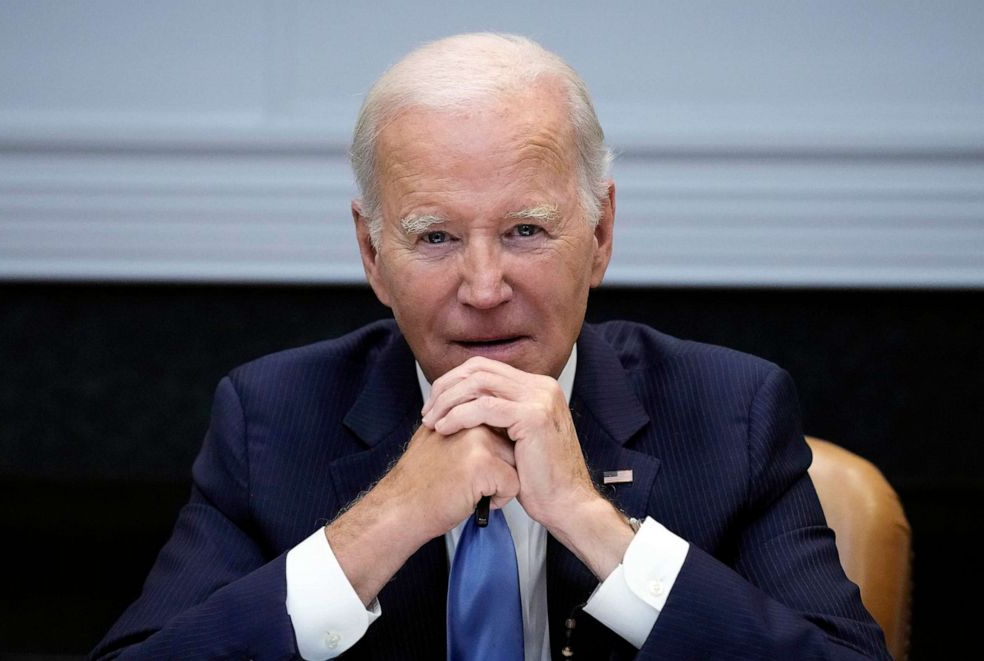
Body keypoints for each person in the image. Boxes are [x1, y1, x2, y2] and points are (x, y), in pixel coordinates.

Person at [92, 33, 889, 660]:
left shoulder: (730, 413)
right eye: (434, 236)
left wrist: (590, 519)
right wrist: (387, 520)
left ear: (601, 234)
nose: (483, 286)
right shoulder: (271, 420)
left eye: (526, 231)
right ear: (372, 255)